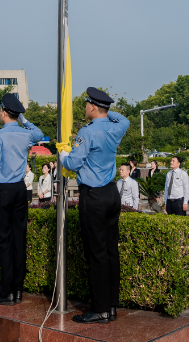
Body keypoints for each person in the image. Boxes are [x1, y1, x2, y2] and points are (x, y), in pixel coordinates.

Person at [60, 86, 130, 325]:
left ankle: (99, 309)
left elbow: (73, 163)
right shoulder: (116, 127)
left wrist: (63, 155)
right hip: (111, 193)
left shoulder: (87, 131)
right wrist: (107, 112)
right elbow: (125, 119)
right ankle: (111, 306)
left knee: (96, 253)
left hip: (94, 196)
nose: (85, 108)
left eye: (87, 104)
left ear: (92, 107)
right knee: (111, 251)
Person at [0, 94, 44, 304]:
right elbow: (39, 134)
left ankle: (6, 291)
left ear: (3, 112)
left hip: (3, 190)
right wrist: (23, 120)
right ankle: (18, 290)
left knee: (4, 241)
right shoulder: (25, 134)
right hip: (19, 188)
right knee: (19, 239)